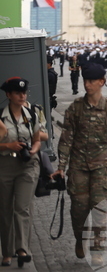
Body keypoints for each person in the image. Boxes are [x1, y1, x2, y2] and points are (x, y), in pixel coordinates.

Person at [51, 64, 107, 260]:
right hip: (78, 167)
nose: (87, 84)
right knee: (78, 211)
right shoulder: (75, 108)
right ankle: (80, 238)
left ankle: (97, 249)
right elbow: (66, 140)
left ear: (101, 82)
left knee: (99, 209)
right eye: (85, 81)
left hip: (102, 167)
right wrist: (61, 167)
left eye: (91, 81)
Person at [0, 78, 47, 268]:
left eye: (24, 92)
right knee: (5, 210)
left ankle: (22, 248)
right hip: (5, 164)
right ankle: (7, 252)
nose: (22, 96)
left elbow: (38, 138)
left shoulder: (32, 114)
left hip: (28, 165)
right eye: (17, 93)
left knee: (22, 207)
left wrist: (34, 148)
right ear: (8, 95)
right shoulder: (1, 118)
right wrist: (7, 145)